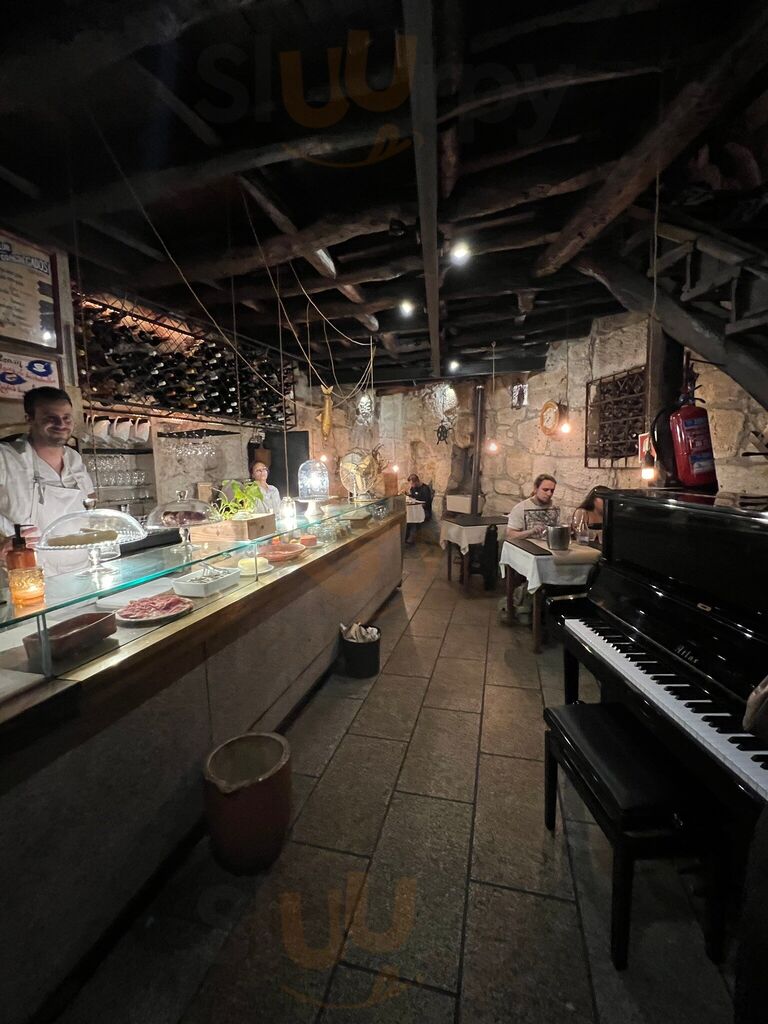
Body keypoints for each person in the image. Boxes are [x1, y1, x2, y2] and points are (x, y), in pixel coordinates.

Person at [0, 387, 95, 567]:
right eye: (51, 418)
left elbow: (91, 503)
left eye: (66, 417)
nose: (61, 424)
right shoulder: (6, 458)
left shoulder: (74, 459)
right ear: (29, 418)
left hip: (81, 570)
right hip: (28, 573)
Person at [506, 474, 559, 542]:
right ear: (536, 489)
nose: (549, 494)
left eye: (552, 491)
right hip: (529, 547)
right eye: (545, 490)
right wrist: (530, 532)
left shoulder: (556, 507)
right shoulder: (521, 508)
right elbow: (510, 535)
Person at [404, 473, 431, 544]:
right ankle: (406, 538)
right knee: (407, 518)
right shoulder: (413, 488)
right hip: (415, 509)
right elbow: (413, 497)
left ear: (416, 481)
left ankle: (411, 539)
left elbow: (426, 503)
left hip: (424, 510)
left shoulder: (425, 488)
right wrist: (407, 495)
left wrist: (417, 503)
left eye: (412, 483)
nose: (411, 485)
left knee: (413, 519)